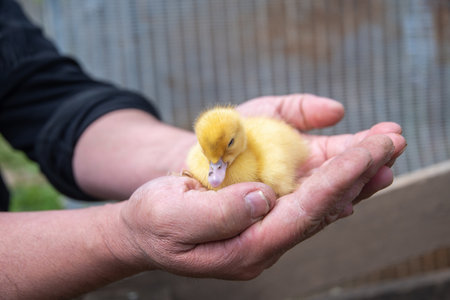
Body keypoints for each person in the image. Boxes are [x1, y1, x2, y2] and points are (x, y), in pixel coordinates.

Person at [0, 0, 407, 298]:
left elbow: (38, 91)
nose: (214, 167)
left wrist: (174, 154)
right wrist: (118, 237)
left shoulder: (250, 149)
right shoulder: (232, 152)